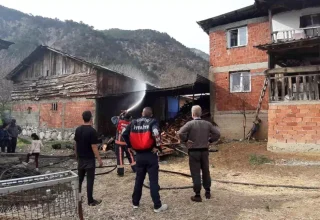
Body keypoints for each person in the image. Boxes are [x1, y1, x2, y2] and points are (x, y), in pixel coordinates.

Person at [122, 107, 168, 213]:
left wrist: (130, 146)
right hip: (151, 155)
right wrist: (158, 146)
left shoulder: (133, 122)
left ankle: (135, 203)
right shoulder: (152, 121)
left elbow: (124, 133)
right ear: (151, 115)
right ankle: (157, 206)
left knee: (139, 180)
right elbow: (156, 133)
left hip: (139, 156)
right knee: (153, 181)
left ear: (142, 113)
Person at [178, 105, 220, 202]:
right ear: (201, 114)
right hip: (204, 151)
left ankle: (197, 195)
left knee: (195, 172)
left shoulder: (190, 124)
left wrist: (186, 140)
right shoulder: (207, 124)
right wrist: (210, 140)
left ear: (193, 114)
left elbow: (180, 133)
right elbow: (217, 134)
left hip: (193, 152)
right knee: (206, 171)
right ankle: (208, 192)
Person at [74, 111, 103, 206]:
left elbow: (75, 143)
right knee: (90, 180)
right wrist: (99, 159)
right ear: (91, 118)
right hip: (89, 160)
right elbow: (94, 146)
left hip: (81, 159)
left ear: (83, 118)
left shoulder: (78, 129)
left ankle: (78, 199)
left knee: (80, 180)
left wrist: (76, 155)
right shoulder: (92, 131)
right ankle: (90, 201)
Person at [111, 111, 136, 176]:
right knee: (131, 156)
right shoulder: (131, 124)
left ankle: (120, 172)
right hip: (127, 143)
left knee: (120, 157)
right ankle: (135, 169)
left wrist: (120, 115)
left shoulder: (118, 122)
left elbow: (112, 118)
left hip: (119, 143)